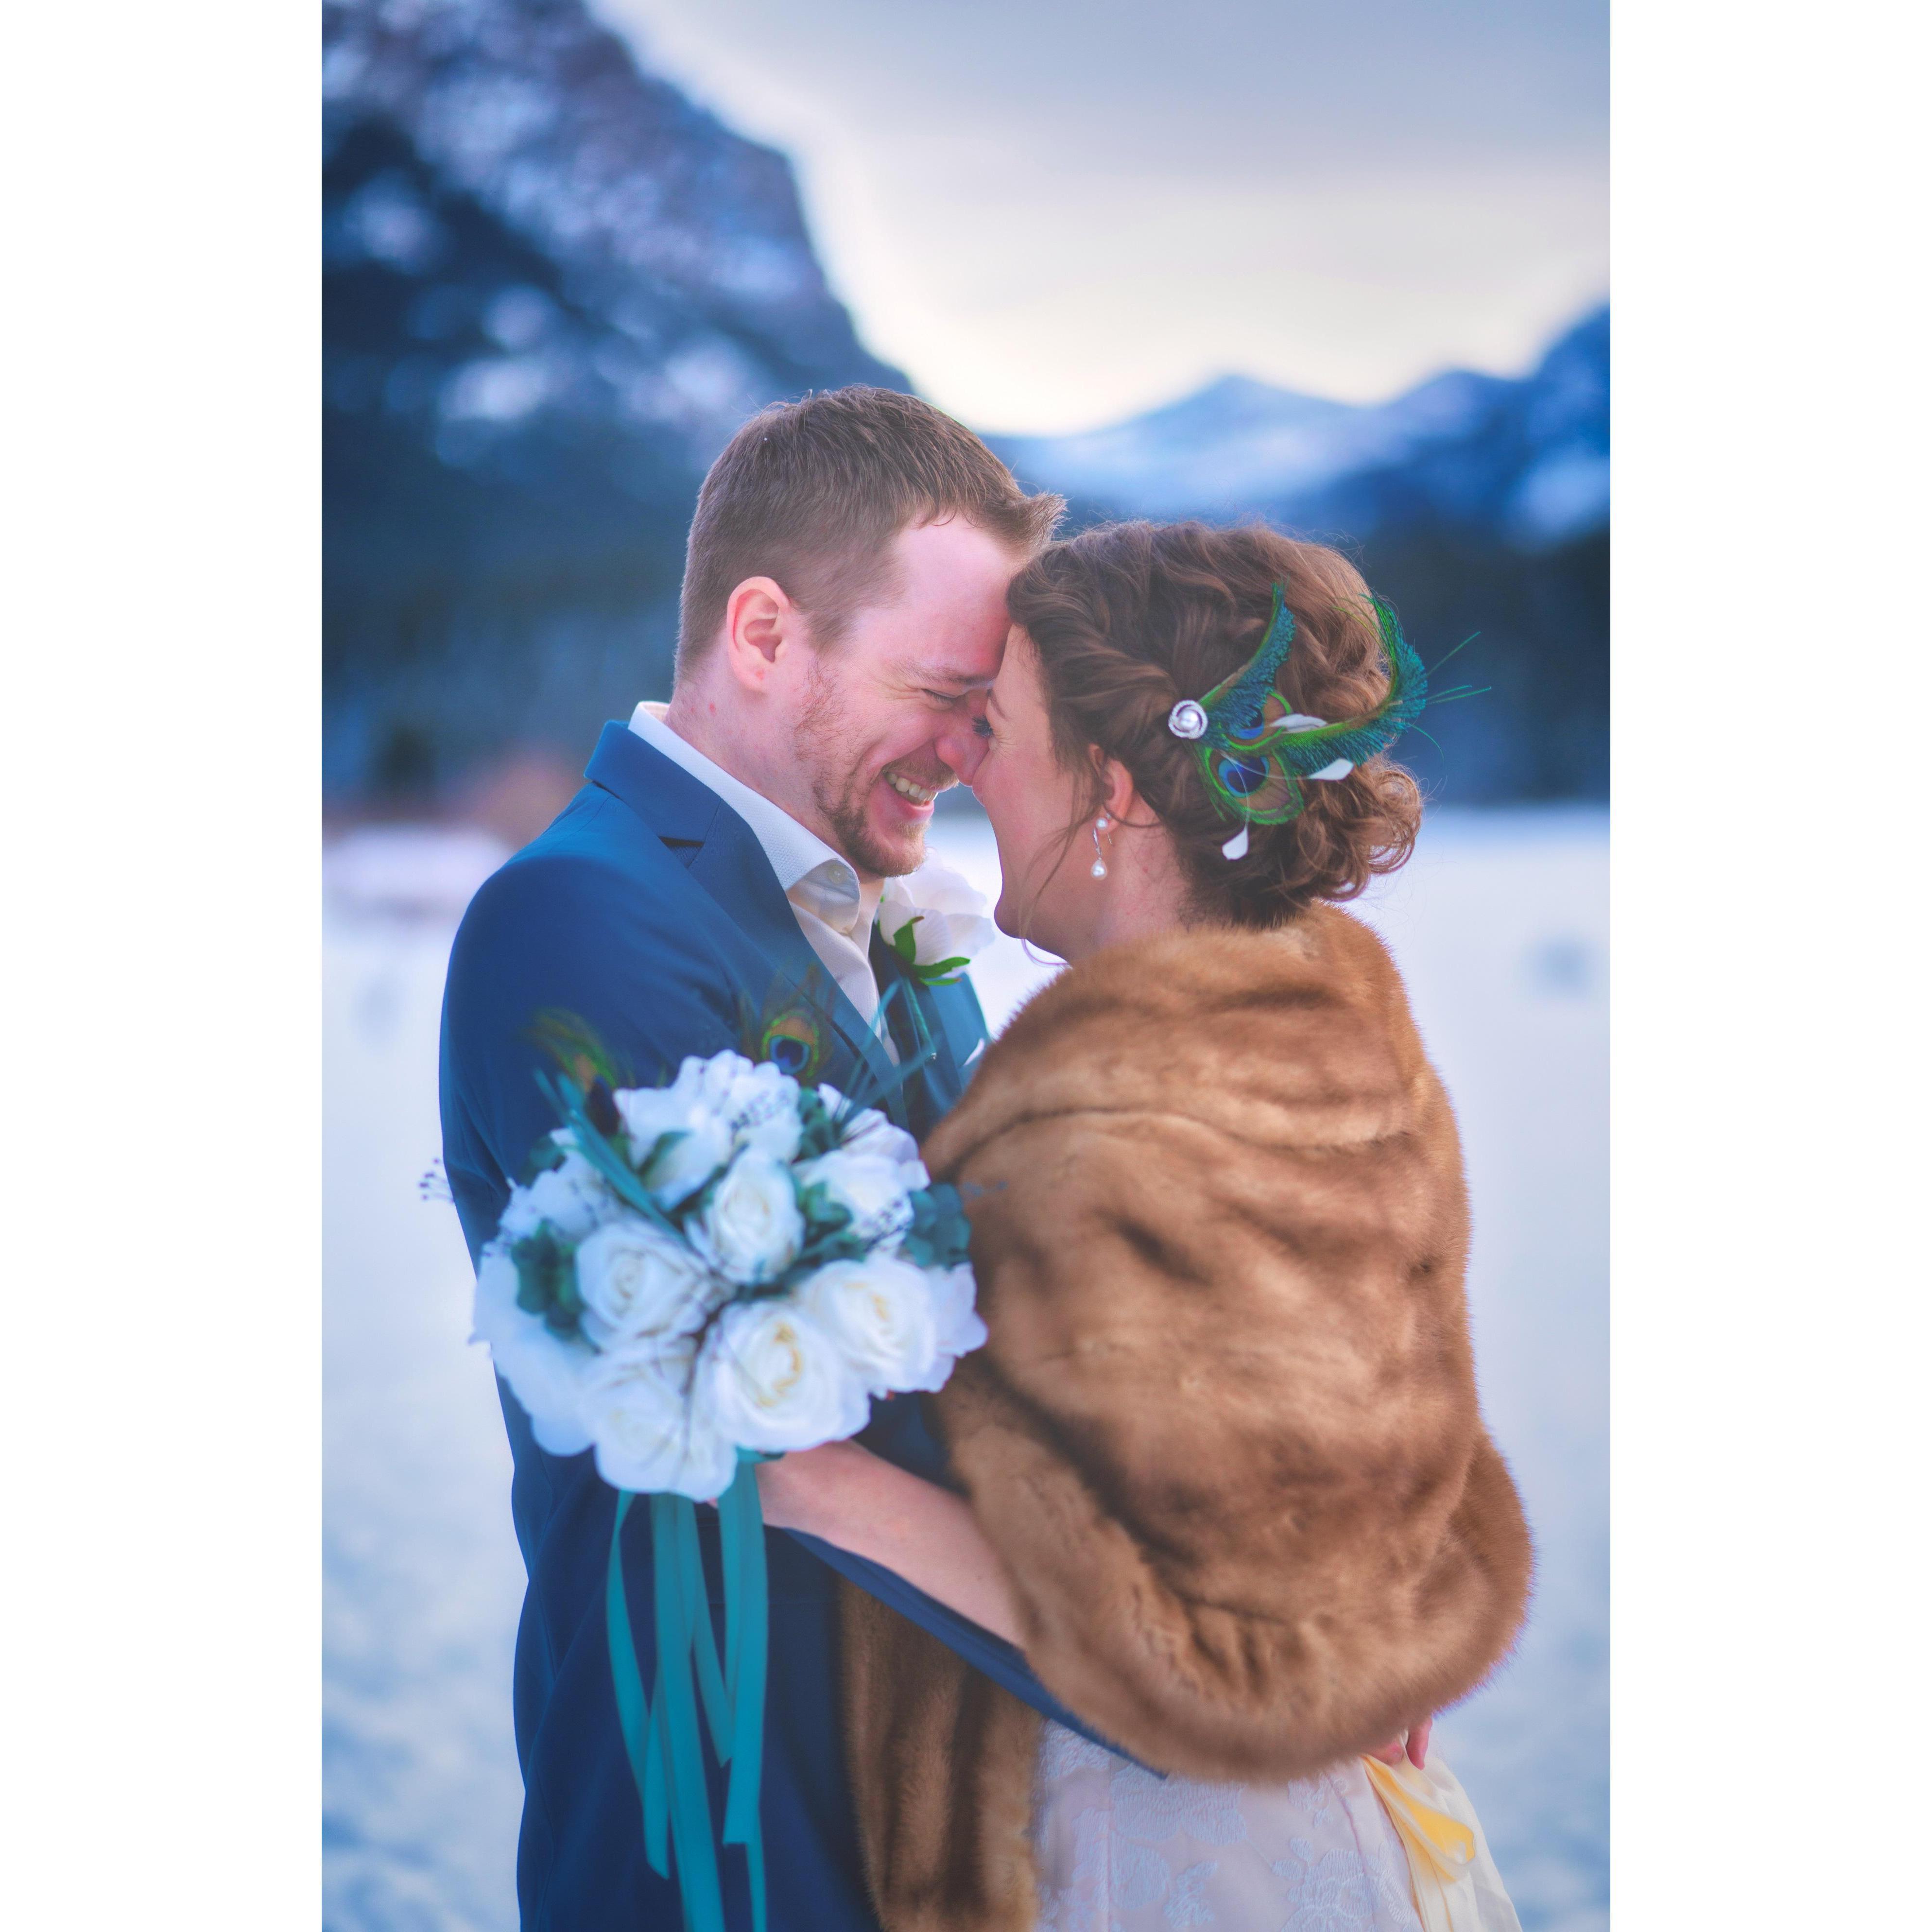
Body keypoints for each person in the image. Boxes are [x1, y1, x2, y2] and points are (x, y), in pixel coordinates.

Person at [756, 519, 1532, 1931]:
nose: (964, 759)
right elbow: (1355, 1423)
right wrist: (1375, 1629)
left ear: (1111, 788)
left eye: (998, 725)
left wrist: (806, 1480)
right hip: (1305, 1821)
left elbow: (1197, 1657)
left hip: (1159, 1854)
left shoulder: (1122, 1122)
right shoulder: (1324, 1017)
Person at [439, 386, 1085, 1932]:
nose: (968, 750)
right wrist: (1217, 1654)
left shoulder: (885, 918)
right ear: (763, 633)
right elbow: (800, 1416)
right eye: (941, 692)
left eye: (988, 709)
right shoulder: (579, 918)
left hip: (935, 1815)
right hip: (725, 1824)